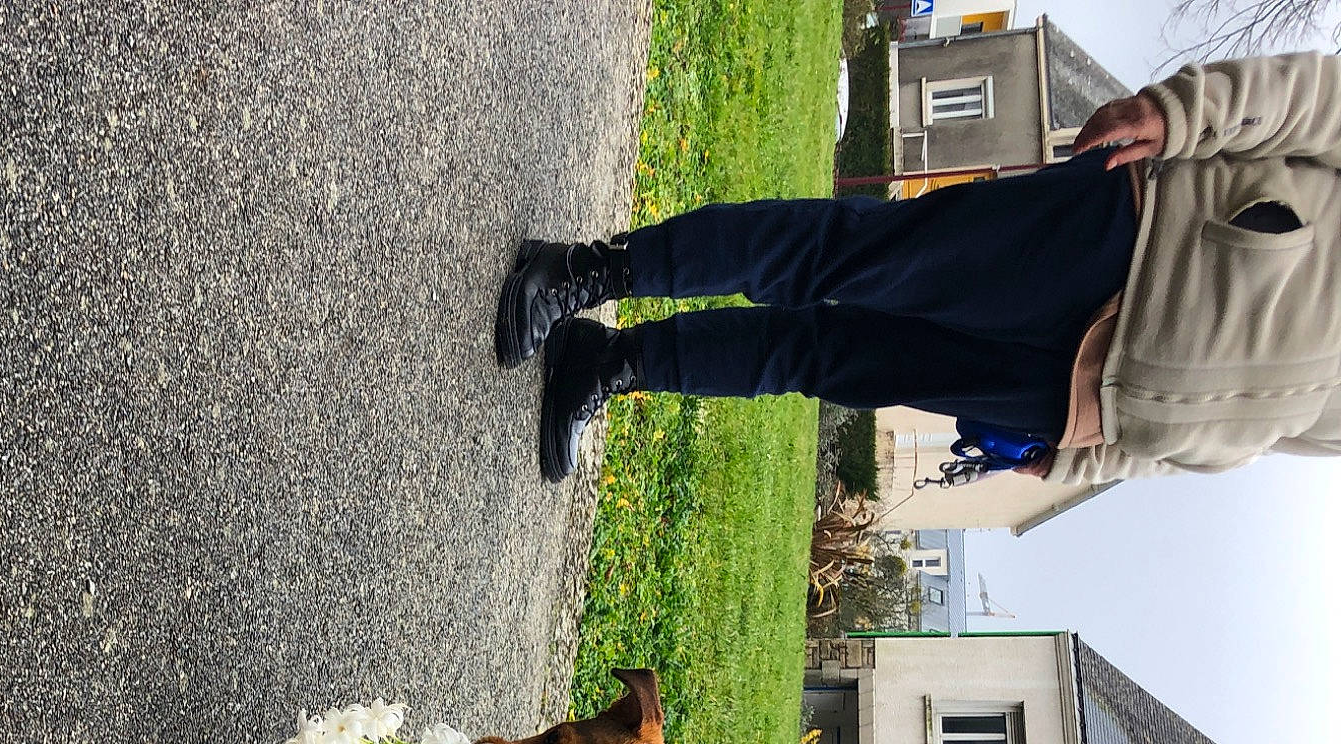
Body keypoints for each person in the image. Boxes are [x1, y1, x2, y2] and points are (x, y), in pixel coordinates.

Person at [503, 51, 1341, 488]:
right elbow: (1325, 101)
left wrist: (1085, 457)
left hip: (1086, 399)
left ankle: (611, 363)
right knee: (851, 255)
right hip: (1131, 238)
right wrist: (1186, 111)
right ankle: (586, 272)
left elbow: (1250, 436)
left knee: (827, 359)